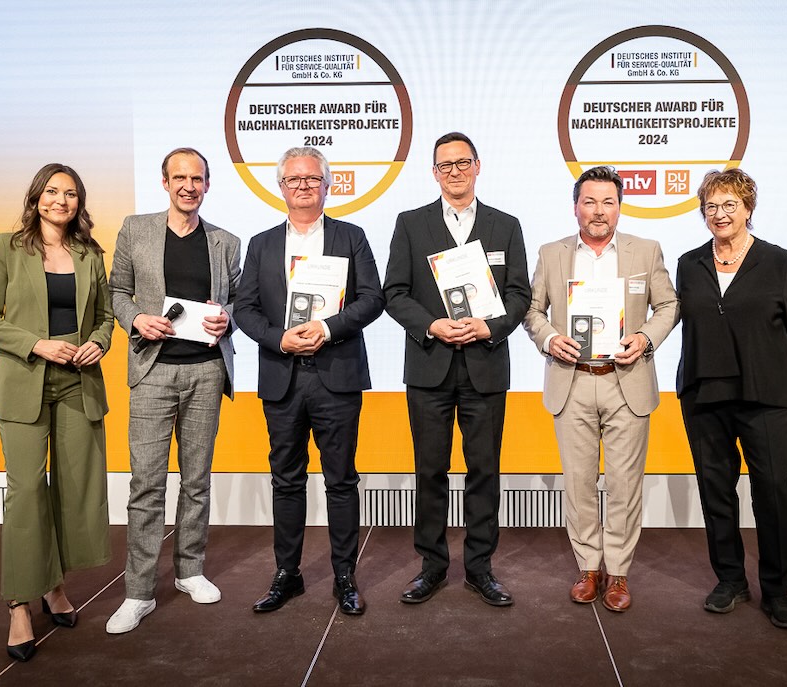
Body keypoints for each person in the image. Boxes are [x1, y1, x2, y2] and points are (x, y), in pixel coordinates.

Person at [0, 163, 113, 661]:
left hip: (79, 382)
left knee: (74, 491)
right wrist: (36, 344)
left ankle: (53, 586)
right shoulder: (6, 247)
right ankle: (18, 604)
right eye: (51, 191)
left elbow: (105, 317)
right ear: (36, 198)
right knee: (27, 492)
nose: (60, 200)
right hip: (23, 381)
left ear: (79, 203)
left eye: (70, 194)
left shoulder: (90, 253)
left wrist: (98, 342)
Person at [235, 147, 384, 616]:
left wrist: (327, 328)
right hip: (283, 378)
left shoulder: (351, 236)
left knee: (341, 480)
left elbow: (373, 298)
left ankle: (345, 576)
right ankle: (288, 574)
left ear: (327, 185)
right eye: (294, 179)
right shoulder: (260, 244)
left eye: (312, 179)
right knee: (286, 480)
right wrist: (279, 339)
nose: (303, 186)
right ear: (281, 187)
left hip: (337, 376)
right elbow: (244, 309)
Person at [383, 132, 530, 606]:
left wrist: (490, 327)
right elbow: (394, 293)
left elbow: (520, 295)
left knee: (484, 471)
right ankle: (431, 566)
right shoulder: (411, 224)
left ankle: (480, 568)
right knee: (430, 471)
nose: (455, 172)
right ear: (434, 173)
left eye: (463, 162)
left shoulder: (506, 225)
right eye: (445, 165)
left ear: (478, 166)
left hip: (486, 366)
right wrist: (432, 325)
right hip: (429, 367)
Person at [523, 165, 678, 612]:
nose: (598, 211)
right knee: (579, 483)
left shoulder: (646, 251)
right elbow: (532, 311)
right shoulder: (551, 253)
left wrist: (645, 338)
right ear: (575, 207)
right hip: (571, 379)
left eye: (608, 202)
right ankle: (589, 567)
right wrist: (550, 339)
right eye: (589, 201)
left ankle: (620, 572)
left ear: (619, 207)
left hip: (626, 380)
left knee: (625, 483)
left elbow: (669, 304)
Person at [106, 148, 241, 634]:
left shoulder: (226, 242)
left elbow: (239, 302)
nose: (189, 186)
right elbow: (116, 291)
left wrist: (227, 319)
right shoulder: (135, 229)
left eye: (197, 178)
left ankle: (190, 570)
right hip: (152, 371)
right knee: (146, 484)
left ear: (208, 184)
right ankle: (138, 592)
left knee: (197, 480)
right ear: (164, 183)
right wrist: (136, 319)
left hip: (206, 371)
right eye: (179, 177)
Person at [676, 168, 787, 629]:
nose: (720, 213)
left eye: (730, 204)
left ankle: (777, 590)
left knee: (772, 491)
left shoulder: (778, 260)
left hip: (765, 394)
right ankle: (730, 579)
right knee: (716, 491)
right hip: (704, 394)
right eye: (711, 206)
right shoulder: (689, 263)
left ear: (748, 208)